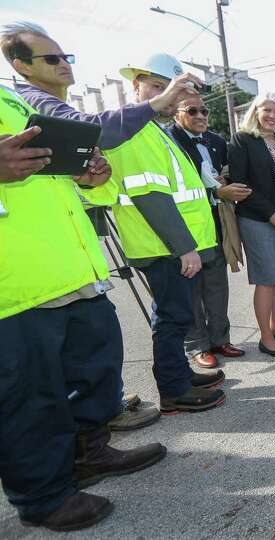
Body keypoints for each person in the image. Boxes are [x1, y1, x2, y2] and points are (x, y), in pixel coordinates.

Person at [13, 27, 226, 414]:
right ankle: (175, 388)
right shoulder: (135, 130)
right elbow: (148, 192)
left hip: (170, 243)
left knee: (178, 317)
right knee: (173, 318)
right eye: (158, 86)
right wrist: (185, 247)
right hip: (160, 245)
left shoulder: (154, 130)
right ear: (139, 86)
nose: (170, 94)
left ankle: (179, 375)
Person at [0, 82, 166, 532]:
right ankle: (42, 496)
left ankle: (90, 453)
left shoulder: (10, 97)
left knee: (95, 367)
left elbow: (44, 173)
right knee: (30, 397)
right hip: (14, 285)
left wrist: (82, 174)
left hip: (72, 266)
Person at [169, 95, 248, 368]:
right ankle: (198, 347)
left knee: (217, 287)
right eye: (193, 111)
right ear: (177, 113)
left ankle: (219, 340)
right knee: (192, 291)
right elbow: (172, 189)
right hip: (185, 229)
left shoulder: (215, 141)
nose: (201, 115)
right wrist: (216, 190)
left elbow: (226, 173)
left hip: (216, 224)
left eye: (204, 110)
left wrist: (226, 182)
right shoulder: (169, 142)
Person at [228, 91, 275, 357]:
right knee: (266, 278)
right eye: (267, 110)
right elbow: (241, 185)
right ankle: (265, 338)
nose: (272, 116)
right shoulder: (242, 140)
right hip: (258, 217)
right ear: (255, 112)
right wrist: (272, 214)